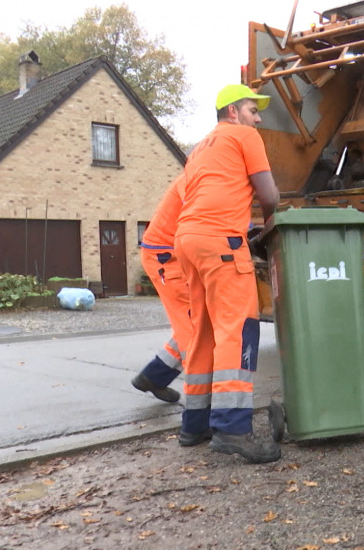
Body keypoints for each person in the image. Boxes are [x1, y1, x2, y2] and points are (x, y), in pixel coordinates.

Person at [174, 84, 281, 464]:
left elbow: (201, 196)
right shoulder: (244, 135)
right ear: (233, 112)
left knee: (203, 331)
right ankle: (233, 430)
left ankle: (195, 424)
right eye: (253, 110)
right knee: (238, 329)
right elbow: (269, 195)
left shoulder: (199, 149)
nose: (258, 117)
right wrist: (271, 232)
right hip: (220, 241)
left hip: (187, 240)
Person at [130, 174, 192, 407]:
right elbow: (202, 215)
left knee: (195, 323)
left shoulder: (204, 174)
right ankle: (199, 412)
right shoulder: (199, 178)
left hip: (172, 254)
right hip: (166, 257)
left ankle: (153, 376)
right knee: (193, 331)